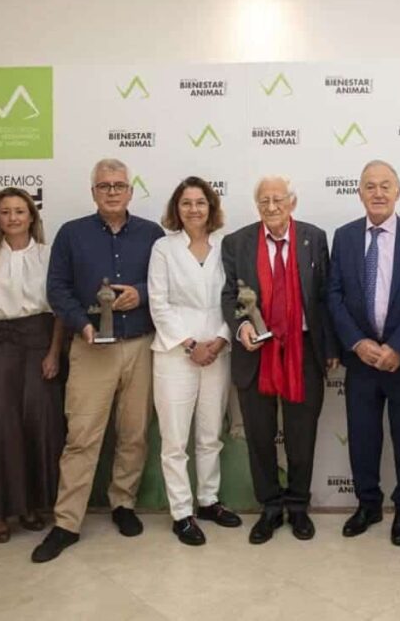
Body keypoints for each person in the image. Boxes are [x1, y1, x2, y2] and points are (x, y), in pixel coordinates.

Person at [31, 158, 165, 563]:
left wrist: (139, 293)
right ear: (93, 192)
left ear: (130, 190)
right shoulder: (71, 234)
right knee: (82, 438)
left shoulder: (152, 234)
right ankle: (67, 522)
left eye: (119, 185)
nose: (111, 191)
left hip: (140, 345)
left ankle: (123, 504)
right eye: (104, 185)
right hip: (90, 348)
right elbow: (57, 289)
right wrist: (81, 325)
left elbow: (165, 282)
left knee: (134, 433)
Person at [220, 175, 339, 544]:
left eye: (278, 200)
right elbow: (228, 295)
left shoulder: (314, 238)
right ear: (256, 205)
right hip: (256, 351)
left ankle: (299, 507)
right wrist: (240, 327)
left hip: (303, 350)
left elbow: (324, 297)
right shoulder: (237, 242)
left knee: (301, 436)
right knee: (259, 436)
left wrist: (331, 347)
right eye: (263, 201)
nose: (271, 207)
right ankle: (270, 508)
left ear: (292, 202)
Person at [327, 160, 400, 546]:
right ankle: (368, 504)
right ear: (360, 192)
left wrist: (398, 345)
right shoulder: (346, 236)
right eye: (371, 186)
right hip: (362, 360)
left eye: (386, 186)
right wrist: (357, 342)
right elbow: (333, 295)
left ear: (398, 192)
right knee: (363, 436)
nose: (379, 193)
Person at [149, 177, 242, 546]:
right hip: (175, 353)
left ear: (211, 207)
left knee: (209, 434)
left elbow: (235, 295)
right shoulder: (163, 248)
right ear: (177, 208)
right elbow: (159, 302)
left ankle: (208, 501)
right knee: (174, 439)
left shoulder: (226, 245)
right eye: (186, 203)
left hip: (218, 349)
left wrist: (219, 340)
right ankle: (181, 512)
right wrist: (191, 345)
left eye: (200, 202)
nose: (193, 209)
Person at [0, 187, 65, 543]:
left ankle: (32, 505)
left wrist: (54, 353)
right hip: (1, 342)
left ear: (31, 216)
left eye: (19, 211)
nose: (12, 218)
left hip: (41, 337)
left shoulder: (49, 254)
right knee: (2, 423)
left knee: (39, 421)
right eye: (5, 212)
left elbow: (58, 310)